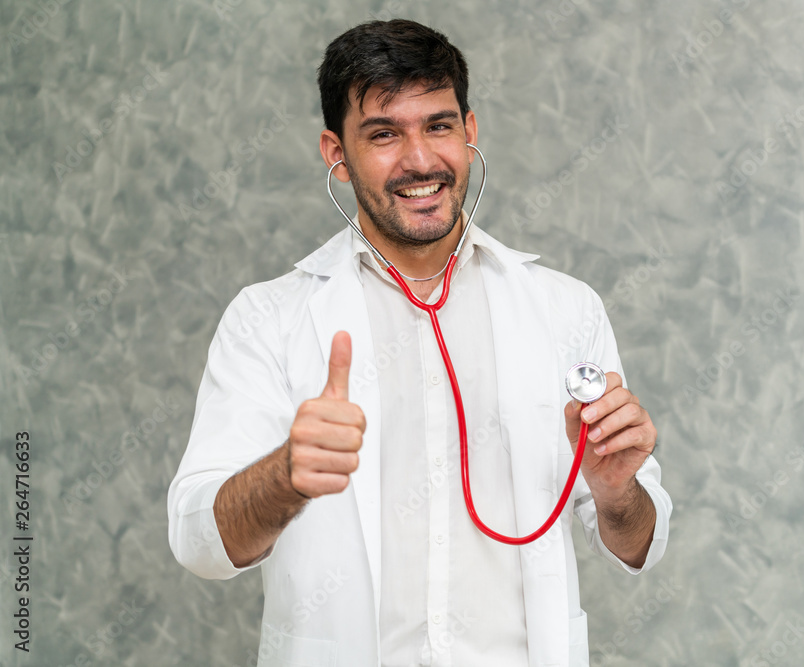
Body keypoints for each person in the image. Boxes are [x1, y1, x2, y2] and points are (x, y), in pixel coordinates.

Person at [168, 18, 672, 667]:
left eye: (438, 125)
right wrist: (284, 476)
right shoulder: (267, 319)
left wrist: (615, 488)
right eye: (383, 134)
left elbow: (636, 542)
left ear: (470, 132)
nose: (420, 160)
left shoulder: (563, 308)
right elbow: (199, 543)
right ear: (336, 154)